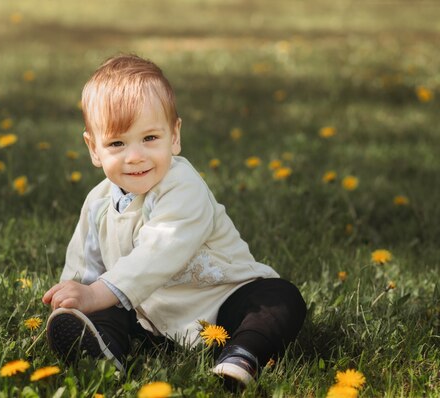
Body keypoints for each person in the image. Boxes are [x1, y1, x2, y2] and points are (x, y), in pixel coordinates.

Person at [42, 54, 306, 389]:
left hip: (221, 301)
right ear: (94, 149)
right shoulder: (97, 204)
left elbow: (159, 250)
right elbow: (85, 271)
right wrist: (75, 300)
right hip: (151, 319)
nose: (135, 155)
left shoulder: (184, 186)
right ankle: (106, 352)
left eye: (150, 138)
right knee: (101, 310)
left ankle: (242, 355)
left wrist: (96, 293)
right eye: (117, 143)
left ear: (174, 136)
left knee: (281, 298)